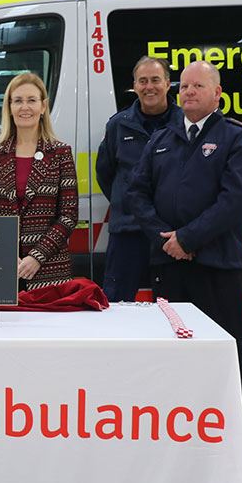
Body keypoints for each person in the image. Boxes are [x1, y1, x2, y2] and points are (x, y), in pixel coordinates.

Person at [129, 60, 242, 438]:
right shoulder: (162, 139)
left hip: (215, 266)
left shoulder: (237, 138)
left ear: (217, 94)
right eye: (185, 86)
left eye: (198, 86)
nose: (188, 92)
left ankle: (237, 429)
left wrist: (188, 239)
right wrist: (166, 239)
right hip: (168, 265)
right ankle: (181, 425)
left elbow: (235, 200)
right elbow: (136, 193)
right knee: (174, 350)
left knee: (226, 351)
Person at [0, 72, 78, 289]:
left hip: (49, 272)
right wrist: (6, 254)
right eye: (18, 101)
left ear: (43, 107)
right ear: (9, 107)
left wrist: (36, 257)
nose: (25, 107)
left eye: (32, 100)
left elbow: (68, 216)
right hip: (2, 269)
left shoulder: (60, 153)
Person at [95, 56, 183, 301]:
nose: (149, 87)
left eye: (155, 80)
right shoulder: (118, 125)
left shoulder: (184, 123)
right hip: (128, 230)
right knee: (116, 303)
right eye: (142, 81)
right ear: (134, 85)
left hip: (170, 233)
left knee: (173, 305)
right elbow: (106, 173)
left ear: (167, 83)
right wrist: (128, 201)